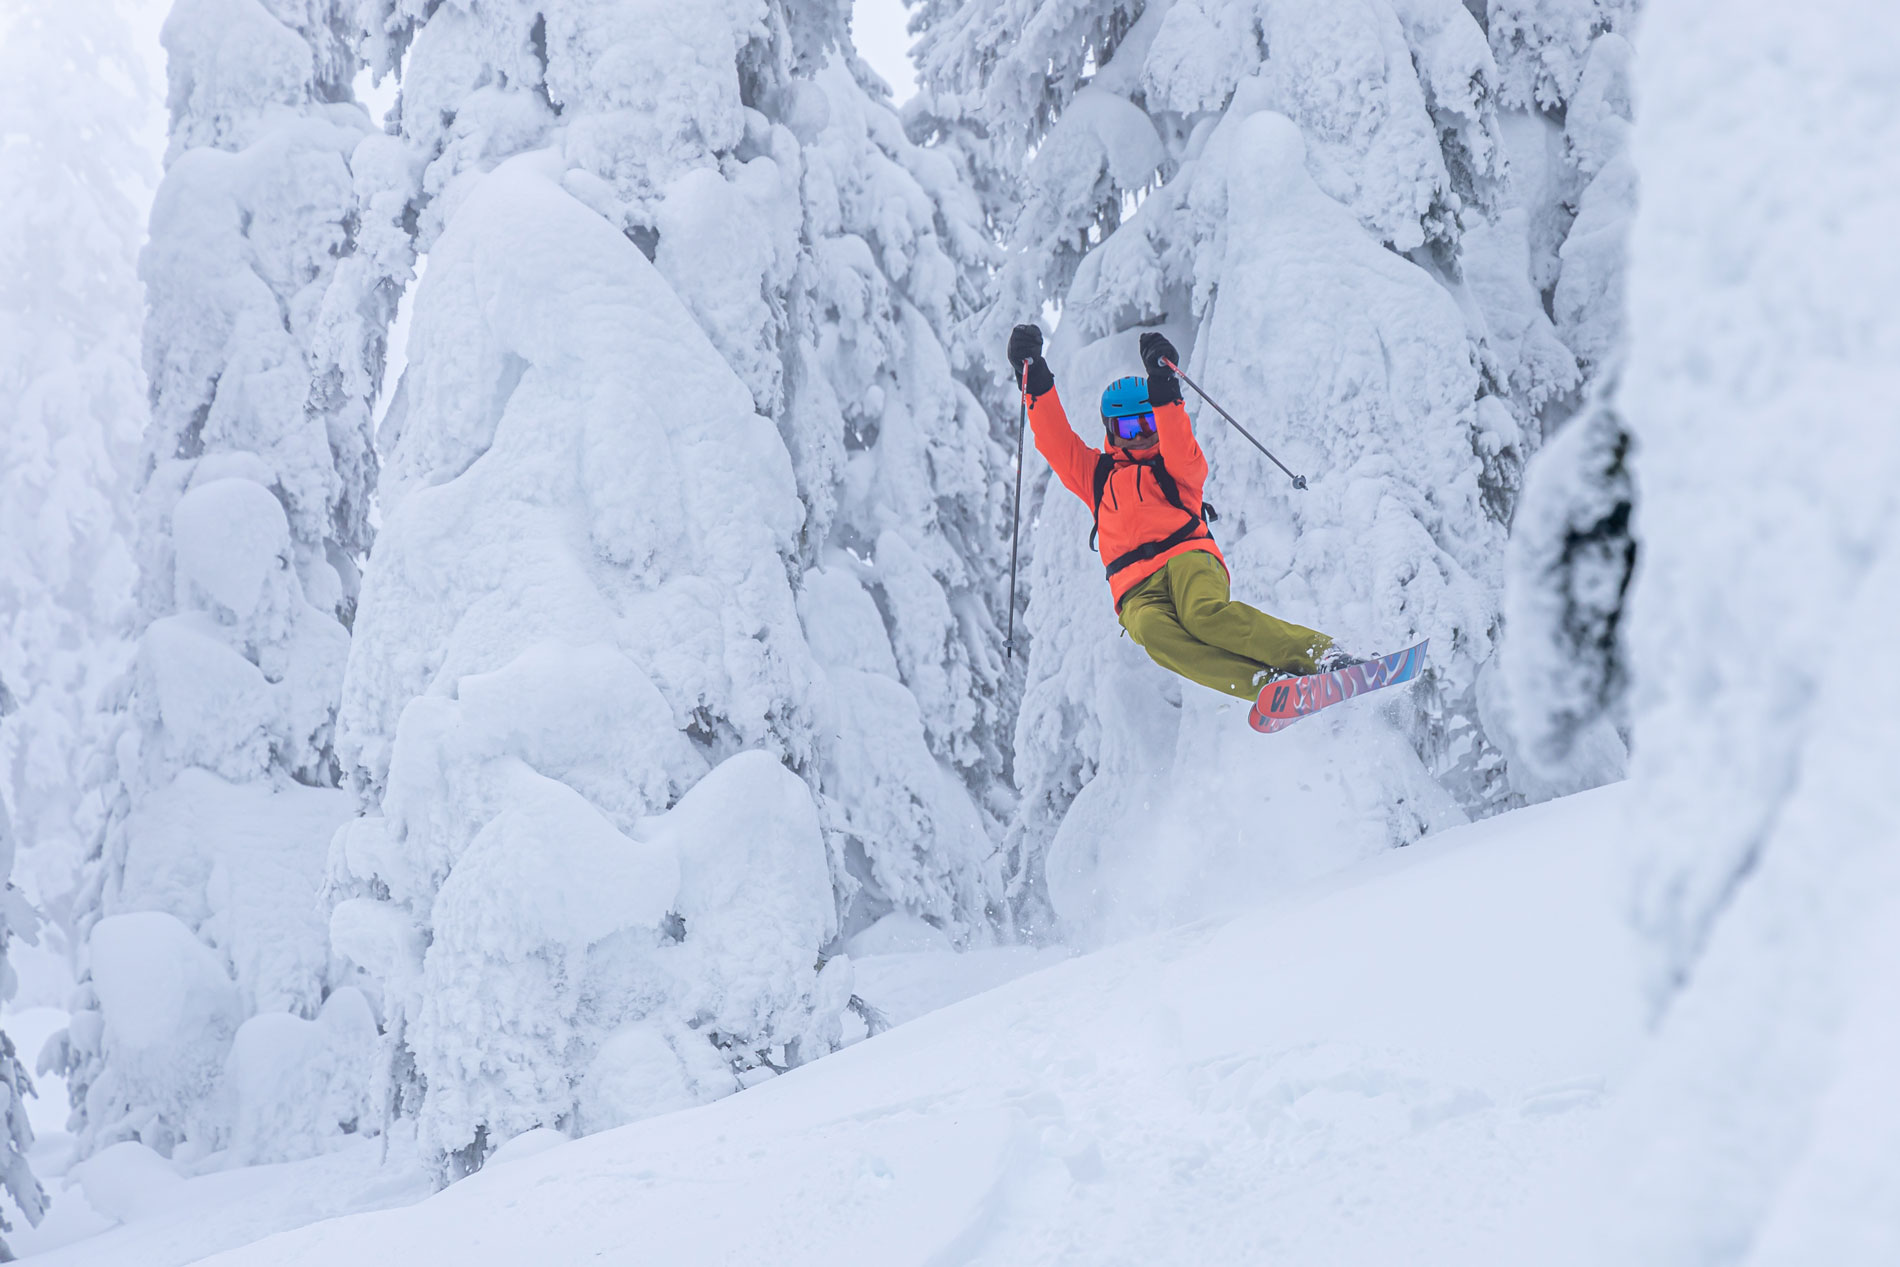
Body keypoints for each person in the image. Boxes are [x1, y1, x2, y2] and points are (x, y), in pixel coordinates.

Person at [1007, 323, 1358, 700]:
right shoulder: (1096, 476)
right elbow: (1055, 440)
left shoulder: (1175, 466)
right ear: (1110, 430)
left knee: (1202, 616)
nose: (1139, 434)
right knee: (1158, 638)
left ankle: (1320, 654)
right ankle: (1269, 685)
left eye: (1147, 422)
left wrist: (1164, 387)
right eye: (1127, 426)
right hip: (1135, 588)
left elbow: (1178, 441)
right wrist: (1033, 376)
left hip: (1187, 558)